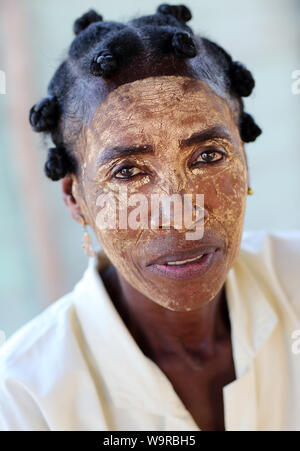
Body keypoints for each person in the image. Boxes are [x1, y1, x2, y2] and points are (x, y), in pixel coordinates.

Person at [0, 4, 299, 431]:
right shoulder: (23, 395)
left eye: (208, 156)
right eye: (127, 172)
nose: (180, 215)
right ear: (75, 197)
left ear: (245, 163)